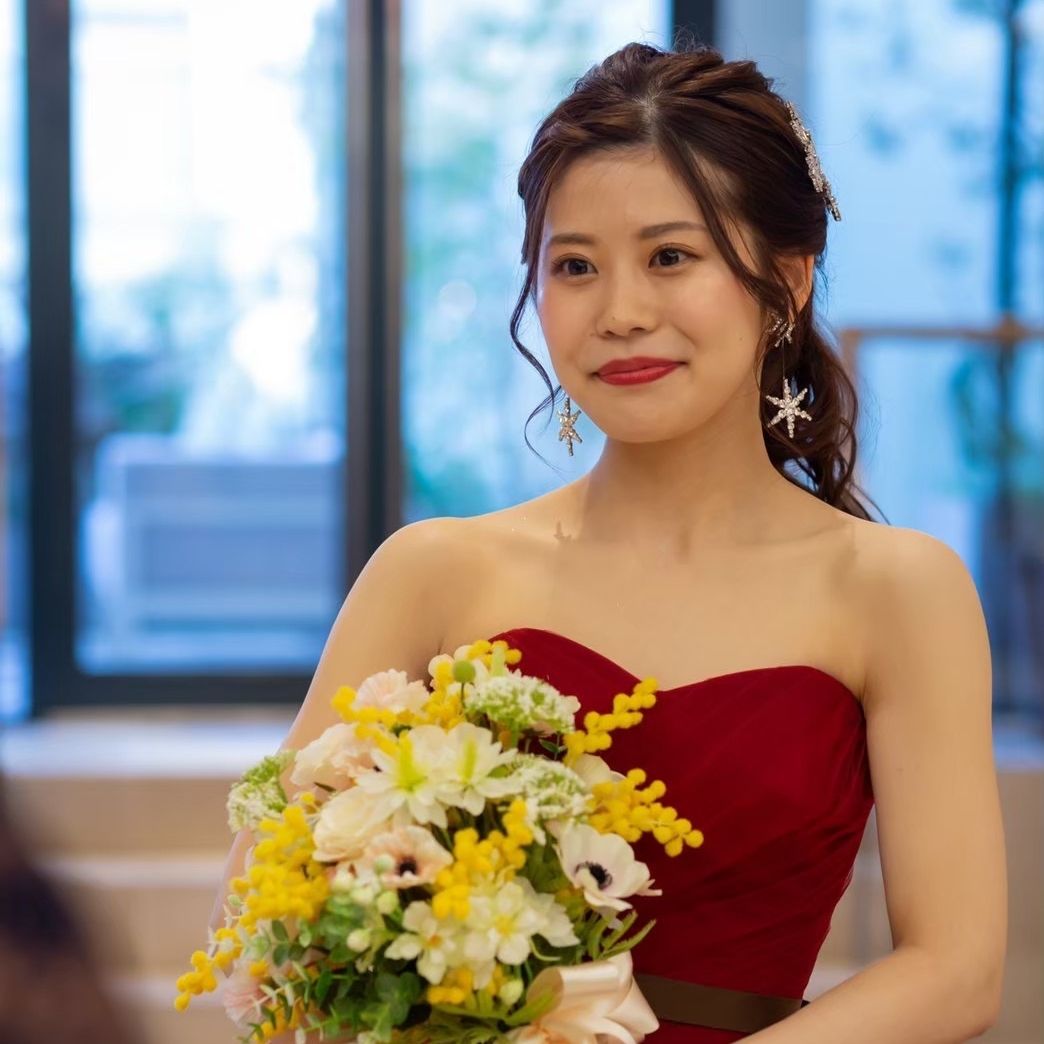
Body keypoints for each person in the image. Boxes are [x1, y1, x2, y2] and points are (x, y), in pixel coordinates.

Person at [211, 38, 1007, 1042]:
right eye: (575, 267)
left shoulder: (896, 588)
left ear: (787, 280)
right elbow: (256, 927)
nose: (621, 313)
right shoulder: (435, 571)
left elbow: (957, 971)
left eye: (670, 257)